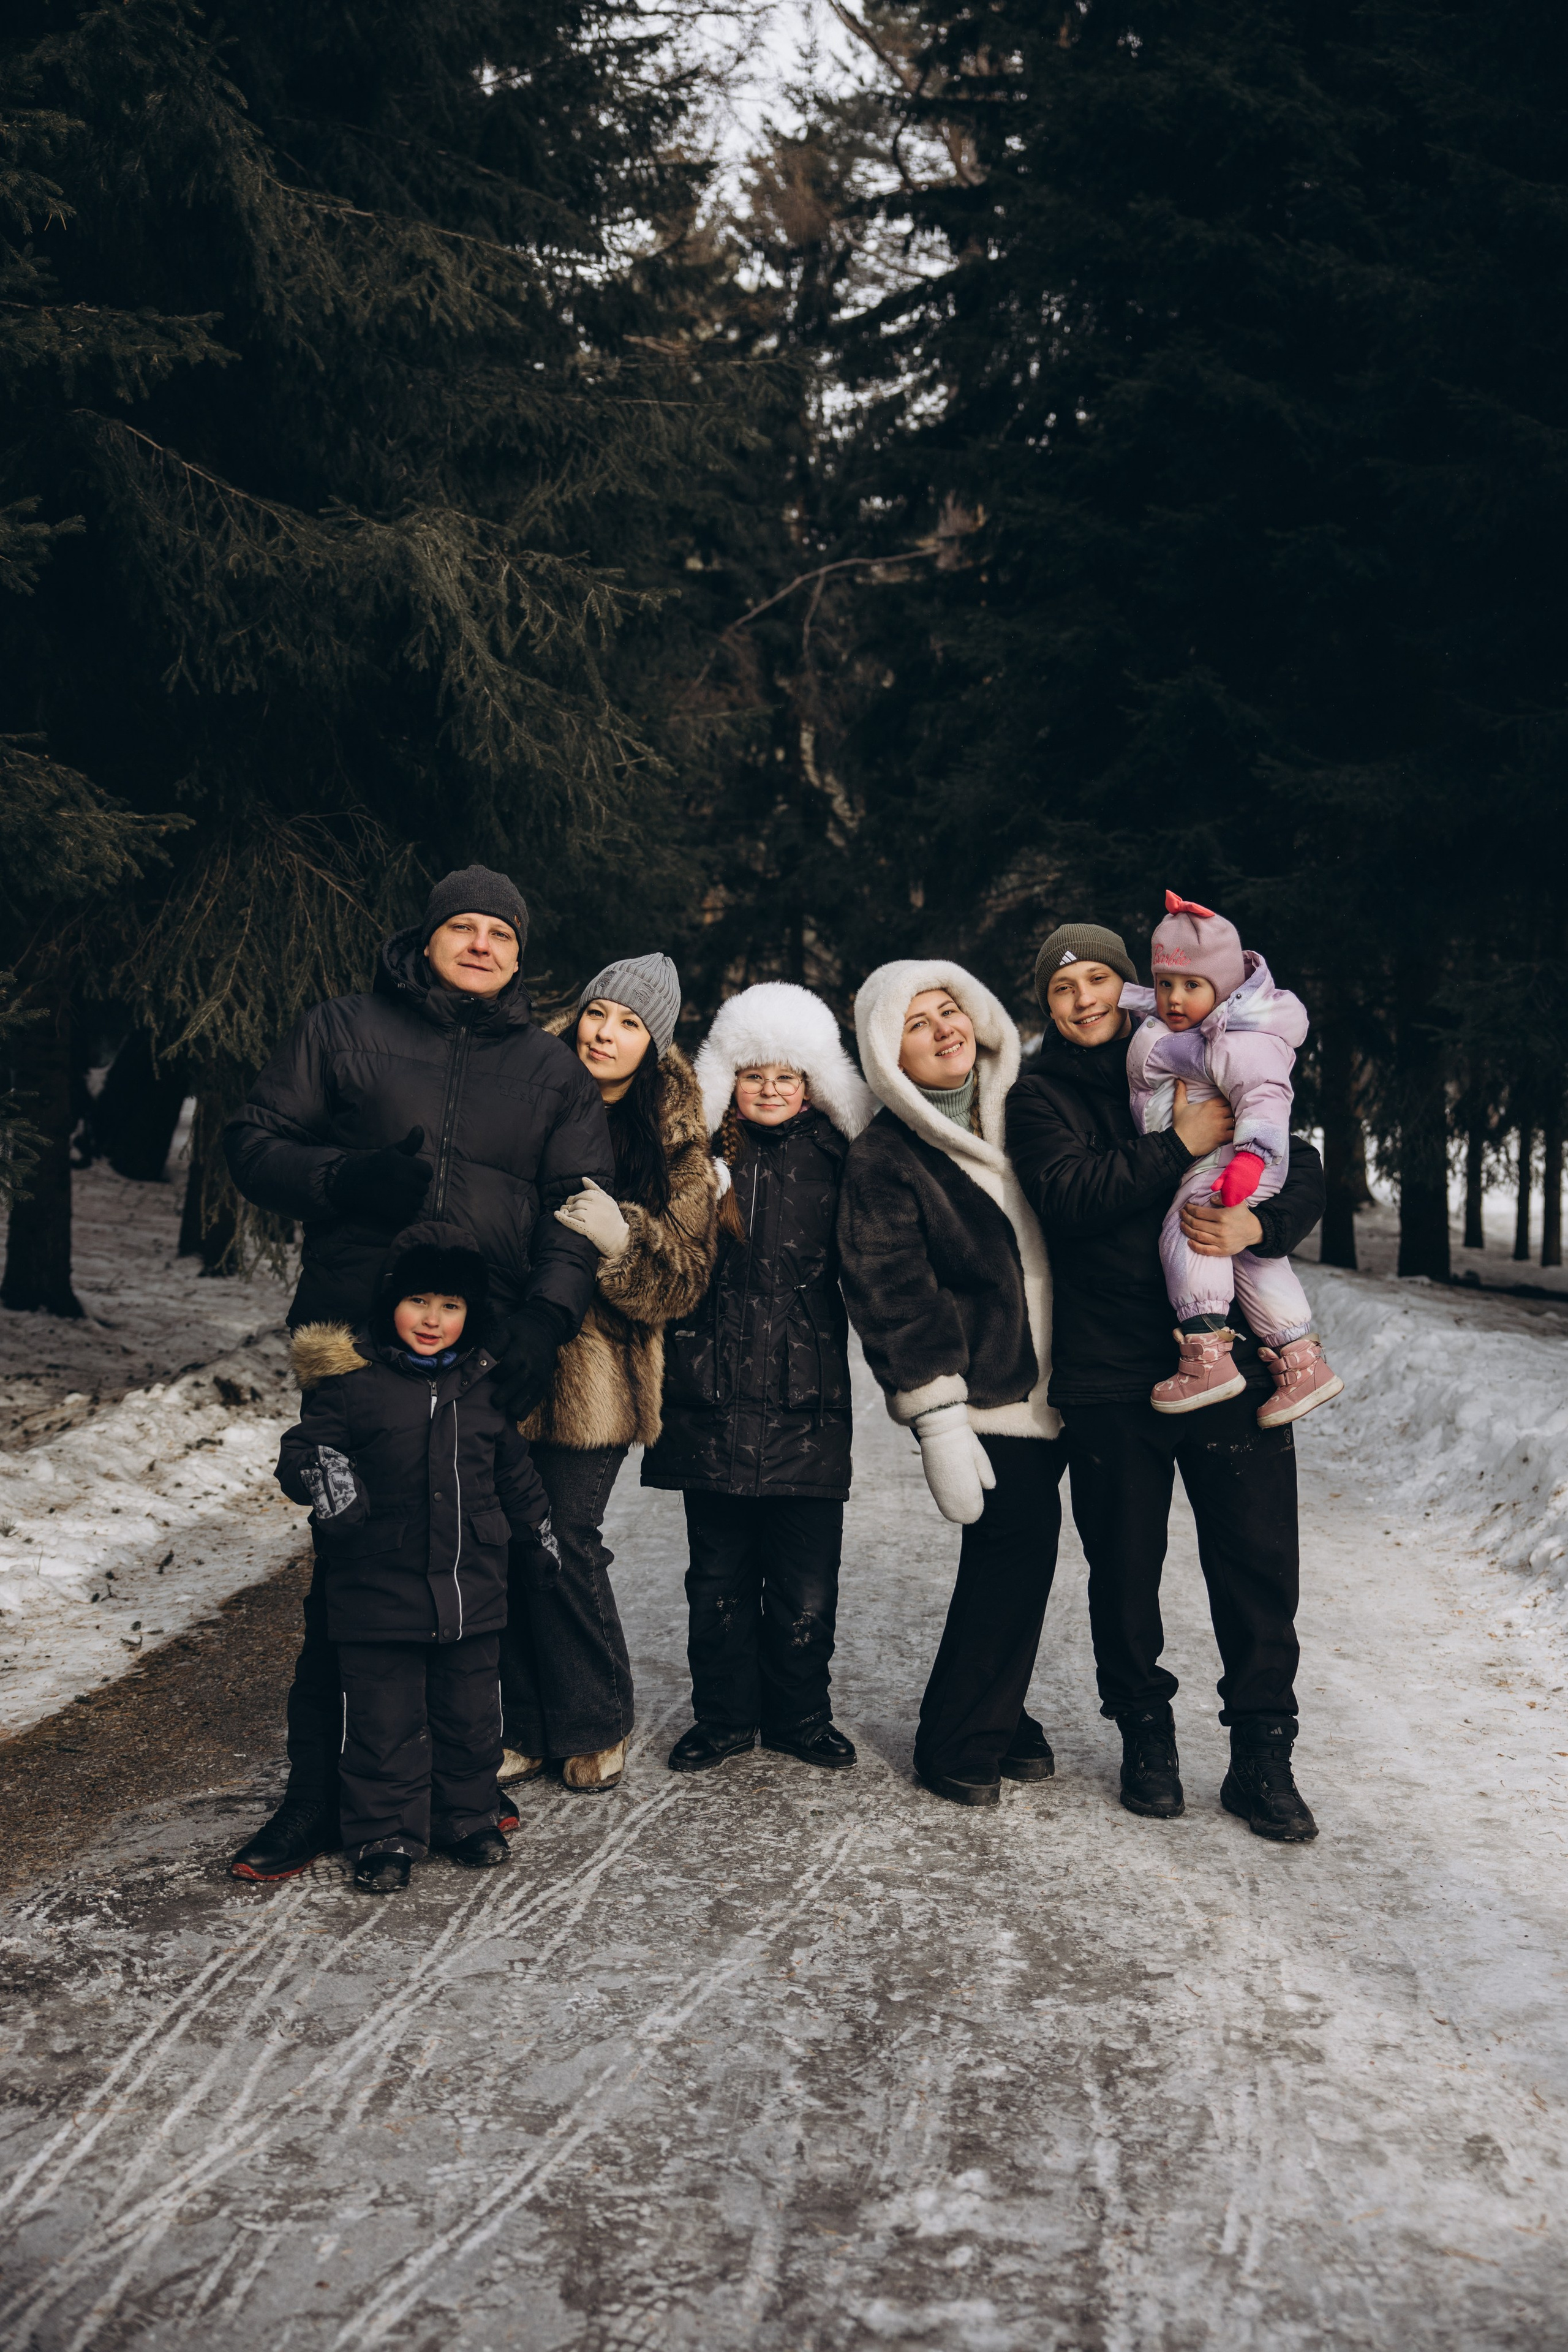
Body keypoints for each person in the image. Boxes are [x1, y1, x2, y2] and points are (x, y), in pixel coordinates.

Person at [224, 865, 613, 1880]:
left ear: (520, 956)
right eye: (464, 927)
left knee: (468, 1568)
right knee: (347, 1575)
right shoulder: (343, 1029)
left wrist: (546, 1313)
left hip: (480, 1353)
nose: (482, 944)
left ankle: (456, 1791)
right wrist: (344, 1178)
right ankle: (316, 1800)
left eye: (501, 932)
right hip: (355, 1343)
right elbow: (253, 1143)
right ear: (430, 936)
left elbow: (580, 1208)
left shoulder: (550, 1070)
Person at [1006, 921, 1327, 1842]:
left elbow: (1296, 1163)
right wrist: (1179, 1142)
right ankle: (1146, 1734)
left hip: (1234, 1364)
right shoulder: (1039, 1096)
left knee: (1259, 1564)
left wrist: (1258, 1233)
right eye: (1064, 989)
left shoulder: (1198, 1042)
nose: (1085, 1000)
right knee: (1125, 1569)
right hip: (1112, 1371)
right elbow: (1068, 1198)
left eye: (1100, 979)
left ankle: (1263, 1753)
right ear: (1048, 1006)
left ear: (1128, 984)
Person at [838, 961, 1064, 1809]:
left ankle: (1002, 1715)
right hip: (992, 1390)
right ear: (886, 1054)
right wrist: (938, 1417)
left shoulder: (1029, 1110)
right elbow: (891, 1291)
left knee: (1038, 1558)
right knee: (1012, 1551)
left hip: (1083, 1371)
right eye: (918, 1024)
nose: (945, 1029)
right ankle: (957, 1739)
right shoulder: (886, 1158)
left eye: (951, 1009)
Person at [276, 1225, 556, 1895]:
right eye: (420, 1302)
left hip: (470, 1586)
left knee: (470, 1719)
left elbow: (513, 1471)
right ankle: (383, 1834)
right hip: (376, 1589)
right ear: (390, 1304)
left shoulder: (485, 1385)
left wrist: (539, 1531)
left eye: (452, 1306)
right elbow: (301, 1450)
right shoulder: (350, 1382)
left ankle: (468, 1818)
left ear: (471, 1315)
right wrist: (327, 1475)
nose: (433, 1320)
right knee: (382, 1723)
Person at [641, 982, 874, 1774]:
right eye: (754, 1075)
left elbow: (880, 1266)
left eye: (788, 1076)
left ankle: (802, 1714)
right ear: (728, 1081)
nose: (771, 1089)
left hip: (808, 1401)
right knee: (718, 1581)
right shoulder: (699, 1162)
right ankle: (724, 1717)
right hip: (709, 1397)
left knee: (807, 1582)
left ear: (812, 1084)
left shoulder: (840, 1160)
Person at [503, 954, 719, 1795]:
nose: (606, 1033)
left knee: (565, 1536)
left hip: (597, 1373)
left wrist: (622, 1237)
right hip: (508, 1348)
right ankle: (523, 1725)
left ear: (653, 1043)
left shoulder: (674, 1142)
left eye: (630, 1024)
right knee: (509, 1540)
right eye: (599, 1013)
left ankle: (596, 1717)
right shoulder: (525, 1088)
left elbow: (687, 1279)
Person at [1130, 891, 1343, 1423]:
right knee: (1254, 1258)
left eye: (1192, 986)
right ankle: (1300, 1360)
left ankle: (1206, 1355)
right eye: (1165, 985)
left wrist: (1248, 1164)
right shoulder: (1203, 1030)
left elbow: (1268, 1099)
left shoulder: (1235, 1040)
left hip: (1232, 1165)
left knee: (1191, 1230)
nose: (1174, 999)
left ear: (1223, 991)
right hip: (1233, 1163)